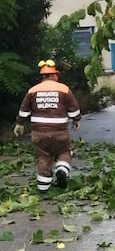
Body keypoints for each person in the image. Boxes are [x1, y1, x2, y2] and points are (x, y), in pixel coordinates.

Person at [14, 59, 81, 192]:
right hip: (60, 133)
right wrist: (76, 120)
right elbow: (74, 109)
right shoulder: (64, 89)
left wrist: (19, 124)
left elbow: (23, 111)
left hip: (39, 134)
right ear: (55, 75)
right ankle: (62, 170)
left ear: (42, 76)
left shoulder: (33, 90)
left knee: (43, 157)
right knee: (64, 152)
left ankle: (43, 187)